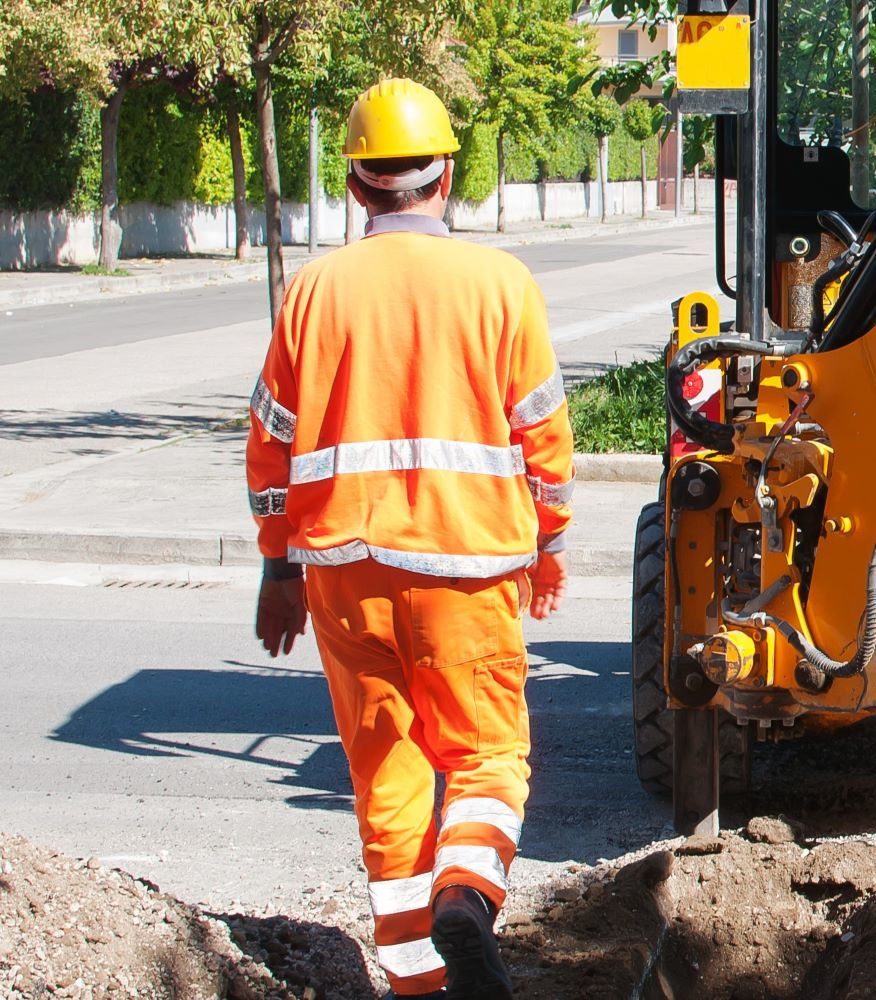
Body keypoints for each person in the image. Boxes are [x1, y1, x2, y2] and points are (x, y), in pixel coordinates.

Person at [244, 77, 572, 1000]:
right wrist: (547, 544)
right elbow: (543, 436)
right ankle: (465, 894)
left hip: (342, 573)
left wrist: (277, 570)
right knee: (485, 757)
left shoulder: (314, 289)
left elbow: (269, 441)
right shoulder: (499, 283)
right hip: (467, 571)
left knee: (387, 780)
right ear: (448, 176)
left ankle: (418, 988)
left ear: (355, 186)